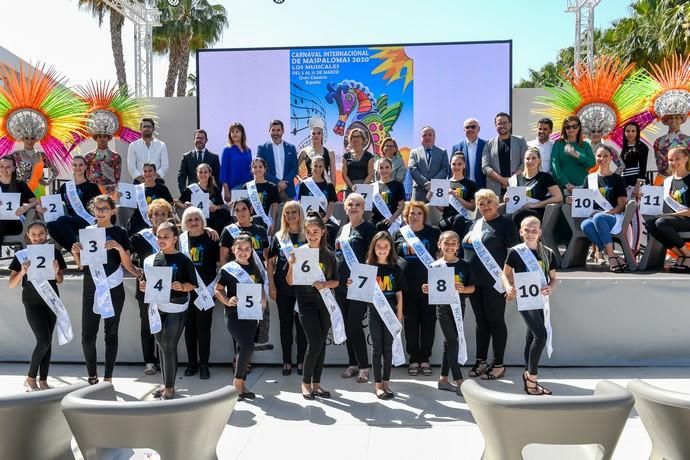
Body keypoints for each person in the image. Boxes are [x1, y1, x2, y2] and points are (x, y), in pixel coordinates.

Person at [72, 195, 138, 384]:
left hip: (113, 287)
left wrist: (118, 248)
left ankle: (108, 377)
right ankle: (92, 376)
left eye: (104, 208)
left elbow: (128, 265)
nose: (100, 212)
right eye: (97, 208)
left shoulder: (120, 232)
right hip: (91, 288)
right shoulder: (87, 231)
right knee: (87, 336)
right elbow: (82, 266)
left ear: (112, 211)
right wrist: (76, 253)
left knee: (111, 333)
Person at [462, 189, 520, 381]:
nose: (485, 206)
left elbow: (513, 253)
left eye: (488, 202)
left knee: (495, 321)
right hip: (474, 282)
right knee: (481, 322)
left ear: (497, 203)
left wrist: (511, 280)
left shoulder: (506, 224)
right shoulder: (475, 224)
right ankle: (481, 361)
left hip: (495, 282)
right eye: (481, 203)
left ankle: (498, 364)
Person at [140, 221, 197, 400]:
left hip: (176, 308)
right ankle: (166, 383)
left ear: (175, 238)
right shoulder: (151, 260)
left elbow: (192, 285)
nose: (162, 240)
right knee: (161, 346)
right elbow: (145, 281)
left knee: (169, 347)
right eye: (159, 236)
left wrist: (181, 286)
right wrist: (143, 286)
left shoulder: (183, 259)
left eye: (166, 236)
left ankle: (170, 388)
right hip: (156, 308)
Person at [8, 221, 67, 391]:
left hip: (51, 299)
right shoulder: (21, 255)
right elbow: (12, 284)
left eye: (41, 233)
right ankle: (30, 377)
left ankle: (43, 380)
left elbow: (60, 280)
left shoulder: (54, 252)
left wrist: (56, 272)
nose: (37, 237)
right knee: (43, 340)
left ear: (46, 234)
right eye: (33, 234)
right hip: (32, 301)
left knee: (48, 341)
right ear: (28, 236)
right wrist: (22, 272)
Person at [502, 216, 558, 395]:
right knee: (540, 336)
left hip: (541, 299)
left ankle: (527, 375)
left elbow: (554, 278)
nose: (530, 233)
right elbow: (505, 275)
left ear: (540, 232)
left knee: (531, 337)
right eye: (527, 230)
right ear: (521, 232)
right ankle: (532, 377)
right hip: (525, 298)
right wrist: (509, 287)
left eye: (534, 230)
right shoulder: (515, 252)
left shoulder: (548, 253)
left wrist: (551, 287)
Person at [286, 212, 339, 400]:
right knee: (314, 342)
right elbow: (290, 282)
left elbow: (336, 282)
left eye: (315, 231)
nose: (312, 235)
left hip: (324, 303)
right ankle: (305, 383)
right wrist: (291, 265)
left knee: (321, 344)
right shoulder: (299, 253)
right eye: (308, 232)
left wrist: (325, 284)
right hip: (305, 303)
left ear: (323, 232)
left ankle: (317, 384)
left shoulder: (329, 255)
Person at [422, 230, 474, 396]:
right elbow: (431, 289)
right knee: (453, 341)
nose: (450, 246)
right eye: (446, 243)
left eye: (453, 243)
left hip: (459, 307)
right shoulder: (434, 266)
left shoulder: (464, 265)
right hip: (443, 309)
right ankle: (459, 380)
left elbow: (472, 288)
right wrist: (426, 288)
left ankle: (443, 379)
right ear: (439, 244)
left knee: (449, 342)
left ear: (458, 246)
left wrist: (463, 288)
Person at [394, 201, 440, 376]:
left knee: (428, 323)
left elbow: (442, 256)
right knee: (411, 323)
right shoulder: (399, 234)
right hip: (407, 287)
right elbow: (393, 258)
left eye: (419, 213)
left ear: (424, 216)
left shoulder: (433, 233)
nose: (415, 216)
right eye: (411, 213)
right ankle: (413, 358)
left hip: (429, 287)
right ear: (406, 216)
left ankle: (425, 358)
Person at [216, 234, 264, 400]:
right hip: (234, 314)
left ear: (251, 251)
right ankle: (237, 383)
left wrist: (263, 299)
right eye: (240, 248)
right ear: (233, 250)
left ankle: (242, 385)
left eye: (247, 249)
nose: (243, 252)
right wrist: (227, 300)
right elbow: (218, 289)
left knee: (241, 349)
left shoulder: (255, 268)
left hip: (251, 314)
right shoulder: (228, 269)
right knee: (247, 346)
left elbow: (259, 289)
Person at [356, 231, 403, 399]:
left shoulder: (396, 268)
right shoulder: (367, 268)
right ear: (373, 248)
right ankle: (378, 385)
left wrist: (399, 315)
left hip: (390, 313)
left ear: (390, 248)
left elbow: (398, 294)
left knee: (388, 349)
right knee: (377, 349)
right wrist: (352, 284)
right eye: (379, 246)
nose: (382, 250)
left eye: (386, 246)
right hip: (374, 312)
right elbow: (359, 290)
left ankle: (387, 383)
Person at [130, 199, 174, 375]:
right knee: (147, 324)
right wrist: (135, 271)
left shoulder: (174, 235)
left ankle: (165, 359)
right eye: (156, 214)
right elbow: (124, 254)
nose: (159, 217)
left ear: (168, 217)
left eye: (163, 214)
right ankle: (149, 360)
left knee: (165, 324)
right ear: (149, 217)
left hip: (169, 286)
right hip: (145, 287)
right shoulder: (140, 237)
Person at [335, 193, 376, 382]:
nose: (353, 207)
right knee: (346, 326)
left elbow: (373, 258)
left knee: (354, 325)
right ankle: (352, 363)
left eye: (357, 204)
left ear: (363, 207)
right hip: (341, 285)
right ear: (345, 207)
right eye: (350, 204)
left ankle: (364, 366)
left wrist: (359, 278)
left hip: (360, 285)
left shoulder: (369, 229)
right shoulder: (342, 230)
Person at [179, 207, 220, 379]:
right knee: (189, 329)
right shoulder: (181, 240)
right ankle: (191, 363)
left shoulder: (211, 238)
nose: (193, 222)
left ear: (202, 221)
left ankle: (204, 364)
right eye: (189, 219)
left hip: (206, 291)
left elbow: (219, 264)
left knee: (204, 329)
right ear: (184, 223)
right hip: (187, 291)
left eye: (197, 219)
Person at [267, 201, 307, 375]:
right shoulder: (279, 237)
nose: (290, 215)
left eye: (294, 212)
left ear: (299, 214)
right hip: (283, 287)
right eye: (287, 213)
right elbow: (269, 263)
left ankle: (301, 361)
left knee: (301, 326)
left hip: (303, 288)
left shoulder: (307, 235)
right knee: (285, 325)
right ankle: (286, 361)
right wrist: (272, 285)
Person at [578, 145, 629, 272]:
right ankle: (612, 255)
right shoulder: (589, 178)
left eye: (606, 155)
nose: (602, 158)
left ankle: (610, 256)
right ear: (596, 158)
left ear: (611, 158)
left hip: (613, 217)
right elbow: (584, 200)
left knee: (599, 217)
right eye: (599, 156)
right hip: (594, 216)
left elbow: (622, 204)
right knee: (585, 225)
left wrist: (609, 212)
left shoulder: (617, 179)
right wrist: (573, 200)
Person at [42, 155, 101, 256]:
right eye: (75, 165)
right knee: (51, 225)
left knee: (62, 220)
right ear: (72, 167)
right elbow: (54, 201)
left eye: (81, 165)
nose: (78, 168)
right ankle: (75, 253)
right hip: (69, 223)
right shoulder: (66, 186)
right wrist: (40, 204)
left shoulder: (92, 186)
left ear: (86, 167)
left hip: (87, 221)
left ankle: (77, 253)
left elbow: (100, 203)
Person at [644, 146, 690, 272]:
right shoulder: (667, 181)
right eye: (670, 159)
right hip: (675, 220)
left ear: (686, 158)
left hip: (687, 219)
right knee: (650, 224)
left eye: (677, 159)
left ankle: (688, 255)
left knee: (661, 222)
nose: (673, 162)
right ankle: (683, 254)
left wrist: (666, 216)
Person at [507, 147, 563, 227]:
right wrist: (507, 198)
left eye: (534, 158)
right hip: (517, 210)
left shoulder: (545, 177)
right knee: (506, 218)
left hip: (537, 210)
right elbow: (511, 198)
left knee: (518, 215)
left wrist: (535, 205)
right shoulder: (516, 178)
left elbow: (559, 197)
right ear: (524, 160)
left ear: (539, 160)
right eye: (527, 158)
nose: (530, 161)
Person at [481, 112, 528, 197]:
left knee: (517, 211)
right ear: (496, 126)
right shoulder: (488, 144)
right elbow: (485, 167)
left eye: (505, 123)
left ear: (510, 125)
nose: (502, 126)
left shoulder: (520, 141)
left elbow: (524, 162)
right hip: (494, 189)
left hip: (516, 187)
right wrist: (502, 180)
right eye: (499, 123)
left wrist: (512, 180)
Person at [177, 163, 231, 234]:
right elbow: (177, 202)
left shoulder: (215, 189)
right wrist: (185, 205)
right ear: (197, 174)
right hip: (197, 220)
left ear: (209, 173)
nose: (203, 174)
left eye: (205, 172)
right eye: (200, 172)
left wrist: (216, 207)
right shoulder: (191, 189)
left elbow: (222, 205)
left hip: (214, 222)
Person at [436, 152, 477, 243]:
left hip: (464, 218)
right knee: (460, 219)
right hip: (446, 219)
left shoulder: (471, 184)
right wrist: (432, 198)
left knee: (460, 219)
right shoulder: (443, 184)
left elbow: (472, 207)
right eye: (454, 164)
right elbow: (442, 209)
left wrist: (457, 197)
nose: (456, 167)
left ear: (464, 165)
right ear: (450, 165)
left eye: (459, 164)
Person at [0, 156, 38, 253]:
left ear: (13, 168)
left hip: (15, 224)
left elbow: (35, 201)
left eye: (8, 167)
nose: (4, 169)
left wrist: (26, 207)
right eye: (1, 166)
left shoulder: (20, 185)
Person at [550, 116, 595, 192]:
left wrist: (576, 154)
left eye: (574, 126)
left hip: (582, 185)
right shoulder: (558, 144)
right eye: (568, 127)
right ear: (564, 129)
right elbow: (555, 166)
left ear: (579, 127)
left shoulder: (585, 145)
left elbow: (591, 163)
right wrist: (566, 183)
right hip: (563, 187)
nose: (571, 129)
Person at [127, 163, 174, 236]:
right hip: (139, 222)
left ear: (155, 172)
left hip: (157, 222)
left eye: (150, 171)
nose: (147, 173)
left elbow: (170, 204)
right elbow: (132, 208)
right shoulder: (136, 189)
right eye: (145, 171)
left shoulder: (162, 188)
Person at [257, 119, 299, 200]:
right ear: (269, 131)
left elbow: (294, 168)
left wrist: (284, 183)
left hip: (288, 190)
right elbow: (261, 170)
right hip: (269, 191)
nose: (275, 133)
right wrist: (278, 183)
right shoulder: (262, 148)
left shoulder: (291, 148)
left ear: (283, 131)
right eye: (273, 130)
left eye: (278, 130)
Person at [219, 198, 269, 265]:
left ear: (250, 210)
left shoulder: (261, 230)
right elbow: (223, 259)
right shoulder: (228, 231)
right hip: (238, 273)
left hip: (257, 272)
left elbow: (266, 256)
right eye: (237, 210)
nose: (240, 213)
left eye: (244, 209)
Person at [409, 126, 450, 201]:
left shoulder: (442, 152)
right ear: (421, 138)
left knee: (436, 213)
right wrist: (426, 184)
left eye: (430, 135)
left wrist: (433, 184)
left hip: (437, 191)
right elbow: (412, 170)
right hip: (418, 192)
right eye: (424, 135)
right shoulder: (414, 152)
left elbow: (445, 169)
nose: (427, 137)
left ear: (434, 137)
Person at [241, 157, 281, 232]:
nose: (258, 169)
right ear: (252, 170)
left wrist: (273, 223)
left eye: (260, 167)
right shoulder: (246, 186)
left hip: (266, 223)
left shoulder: (272, 186)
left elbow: (275, 206)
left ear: (265, 169)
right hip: (249, 222)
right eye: (255, 167)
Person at [177, 129, 220, 193]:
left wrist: (216, 193)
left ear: (206, 140)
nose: (199, 140)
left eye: (202, 138)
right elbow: (181, 177)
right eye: (197, 138)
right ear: (194, 140)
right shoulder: (186, 157)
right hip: (192, 193)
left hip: (209, 194)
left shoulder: (214, 157)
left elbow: (217, 177)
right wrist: (184, 192)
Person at [127, 118, 168, 184]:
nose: (147, 129)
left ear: (153, 129)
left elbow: (165, 166)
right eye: (144, 127)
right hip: (139, 182)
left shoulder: (161, 145)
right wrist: (142, 179)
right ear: (140, 129)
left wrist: (153, 178)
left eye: (149, 127)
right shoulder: (133, 145)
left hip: (157, 182)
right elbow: (131, 166)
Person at [297, 155, 338, 223]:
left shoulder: (329, 185)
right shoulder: (304, 184)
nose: (318, 169)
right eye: (315, 166)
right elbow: (300, 203)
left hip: (324, 219)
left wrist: (326, 218)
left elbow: (331, 205)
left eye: (320, 166)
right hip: (308, 219)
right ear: (311, 166)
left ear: (323, 168)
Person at [371, 157, 405, 232]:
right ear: (378, 170)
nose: (384, 170)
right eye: (381, 168)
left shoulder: (398, 185)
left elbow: (401, 205)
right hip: (374, 222)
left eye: (387, 167)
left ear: (391, 169)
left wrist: (392, 218)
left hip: (391, 223)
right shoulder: (372, 186)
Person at [298, 117, 337, 184]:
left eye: (319, 133)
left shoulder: (330, 153)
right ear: (310, 135)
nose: (316, 135)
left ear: (322, 135)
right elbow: (294, 169)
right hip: (310, 186)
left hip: (325, 187)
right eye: (313, 133)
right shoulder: (304, 152)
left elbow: (333, 175)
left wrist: (332, 191)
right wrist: (301, 180)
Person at [220, 123, 253, 200]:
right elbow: (223, 171)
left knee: (248, 210)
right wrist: (226, 190)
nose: (234, 134)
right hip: (234, 188)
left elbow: (251, 169)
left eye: (237, 131)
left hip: (248, 187)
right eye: (232, 132)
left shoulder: (248, 150)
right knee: (236, 211)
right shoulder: (227, 150)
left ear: (242, 134)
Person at [84, 129, 122, 194]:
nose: (102, 139)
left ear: (108, 138)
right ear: (96, 138)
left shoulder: (116, 156)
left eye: (104, 136)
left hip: (109, 190)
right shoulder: (88, 156)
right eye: (100, 136)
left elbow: (117, 177)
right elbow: (86, 175)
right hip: (92, 190)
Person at [452, 118, 487, 188]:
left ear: (478, 129)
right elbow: (452, 169)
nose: (470, 129)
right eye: (467, 127)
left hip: (481, 186)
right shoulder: (456, 147)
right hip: (462, 187)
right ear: (464, 130)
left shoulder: (486, 145)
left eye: (473, 127)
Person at [653, 114, 690, 180]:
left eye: (677, 118)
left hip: (683, 179)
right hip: (662, 179)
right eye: (670, 118)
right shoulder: (658, 141)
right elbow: (658, 162)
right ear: (666, 120)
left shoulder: (688, 140)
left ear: (681, 120)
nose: (673, 120)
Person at [341, 128, 375, 195]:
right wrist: (352, 187)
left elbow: (370, 174)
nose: (355, 138)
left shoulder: (369, 156)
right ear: (350, 140)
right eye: (353, 136)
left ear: (363, 139)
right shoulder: (345, 156)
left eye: (358, 136)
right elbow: (344, 174)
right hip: (349, 188)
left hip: (365, 188)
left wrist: (361, 188)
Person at [620, 121, 649, 188]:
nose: (630, 133)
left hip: (635, 180)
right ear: (624, 133)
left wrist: (638, 185)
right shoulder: (625, 146)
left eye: (633, 131)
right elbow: (622, 166)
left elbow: (643, 168)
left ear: (637, 132)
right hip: (624, 181)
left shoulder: (642, 147)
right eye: (628, 131)